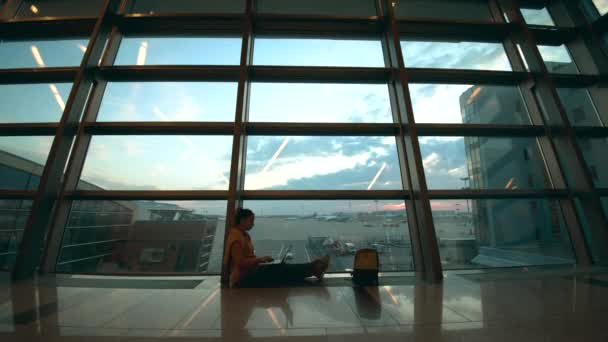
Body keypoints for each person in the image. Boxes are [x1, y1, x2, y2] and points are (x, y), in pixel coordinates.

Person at [223, 208, 330, 288]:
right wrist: (260, 260)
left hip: (249, 272)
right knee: (280, 270)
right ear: (242, 220)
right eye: (251, 220)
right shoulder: (236, 237)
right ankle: (314, 268)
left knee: (280, 268)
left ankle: (314, 268)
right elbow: (240, 262)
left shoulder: (243, 235)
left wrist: (260, 261)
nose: (253, 224)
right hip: (242, 279)